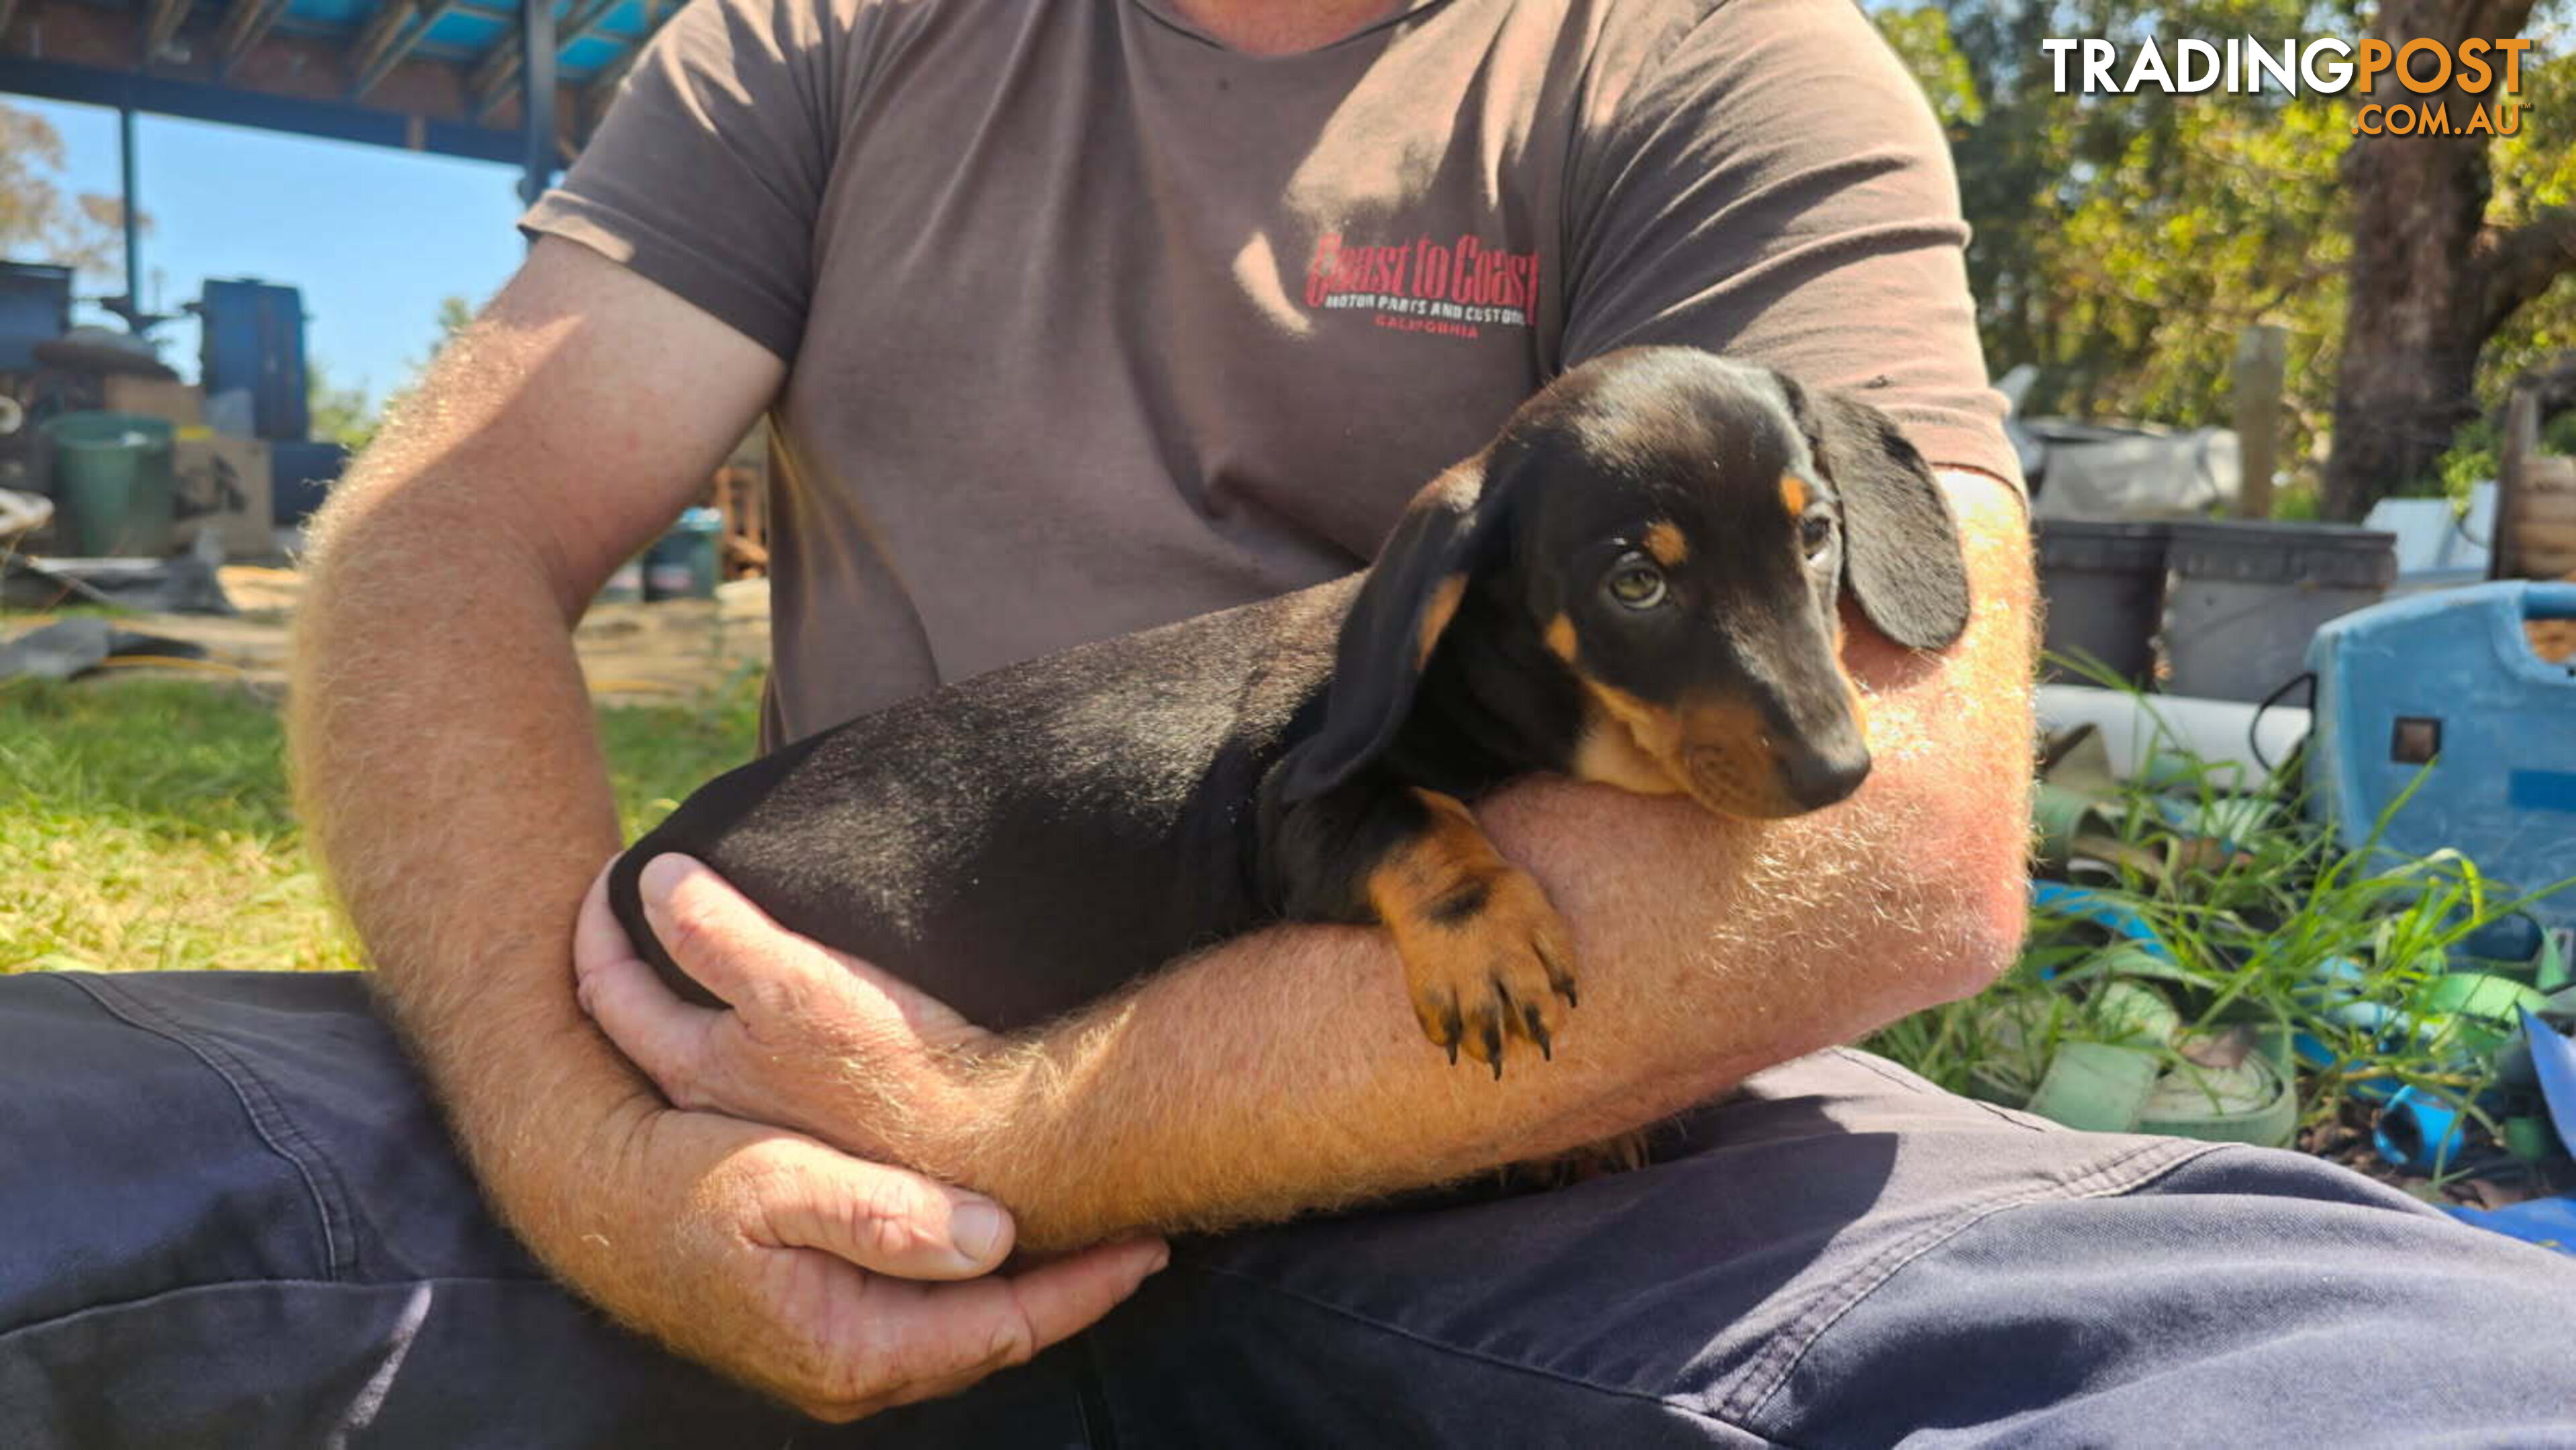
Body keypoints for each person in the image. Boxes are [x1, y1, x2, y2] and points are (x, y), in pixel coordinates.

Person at [4, 0, 2573, 1443]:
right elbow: (442, 537)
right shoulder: (824, 38)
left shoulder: (1717, 67)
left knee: (2434, 1394)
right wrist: (587, 1146)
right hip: (729, 1079)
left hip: (1556, 1134)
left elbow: (1897, 831)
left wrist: (1019, 1138)